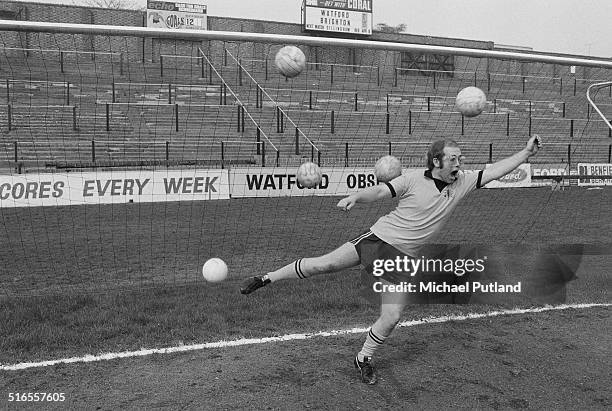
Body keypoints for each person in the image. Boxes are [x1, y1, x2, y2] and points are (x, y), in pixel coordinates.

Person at [240, 135, 541, 384]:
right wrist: (356, 197)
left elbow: (497, 169)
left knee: (392, 317)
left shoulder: (462, 182)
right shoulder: (411, 180)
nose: (458, 163)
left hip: (402, 260)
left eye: (459, 158)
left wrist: (525, 152)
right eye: (453, 158)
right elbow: (381, 191)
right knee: (325, 264)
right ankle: (266, 278)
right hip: (378, 240)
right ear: (436, 161)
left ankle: (363, 358)